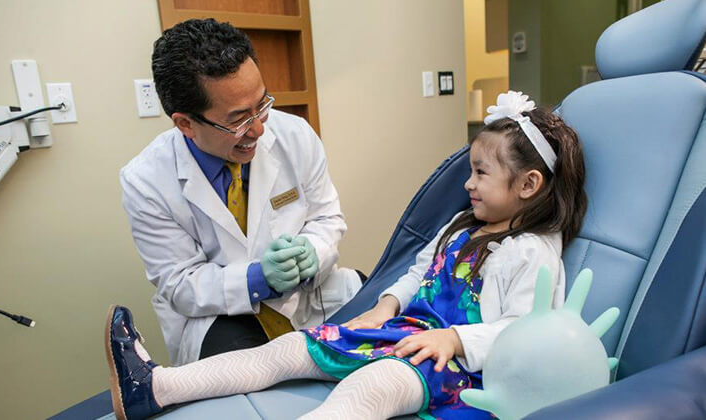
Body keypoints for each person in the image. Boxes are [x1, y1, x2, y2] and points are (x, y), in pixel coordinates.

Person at [106, 91, 588, 420]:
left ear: (528, 185)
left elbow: (526, 333)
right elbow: (422, 272)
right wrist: (387, 305)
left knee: (368, 387)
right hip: (404, 331)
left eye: (481, 174)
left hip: (453, 365)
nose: (467, 184)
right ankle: (153, 388)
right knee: (286, 350)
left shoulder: (531, 252)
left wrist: (456, 341)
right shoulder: (464, 225)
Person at [119, 18, 361, 366]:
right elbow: (179, 283)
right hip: (221, 317)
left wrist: (313, 249)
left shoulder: (295, 135)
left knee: (386, 310)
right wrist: (258, 278)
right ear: (185, 123)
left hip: (309, 299)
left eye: (262, 105)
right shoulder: (145, 181)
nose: (260, 129)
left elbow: (326, 217)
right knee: (253, 378)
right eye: (238, 119)